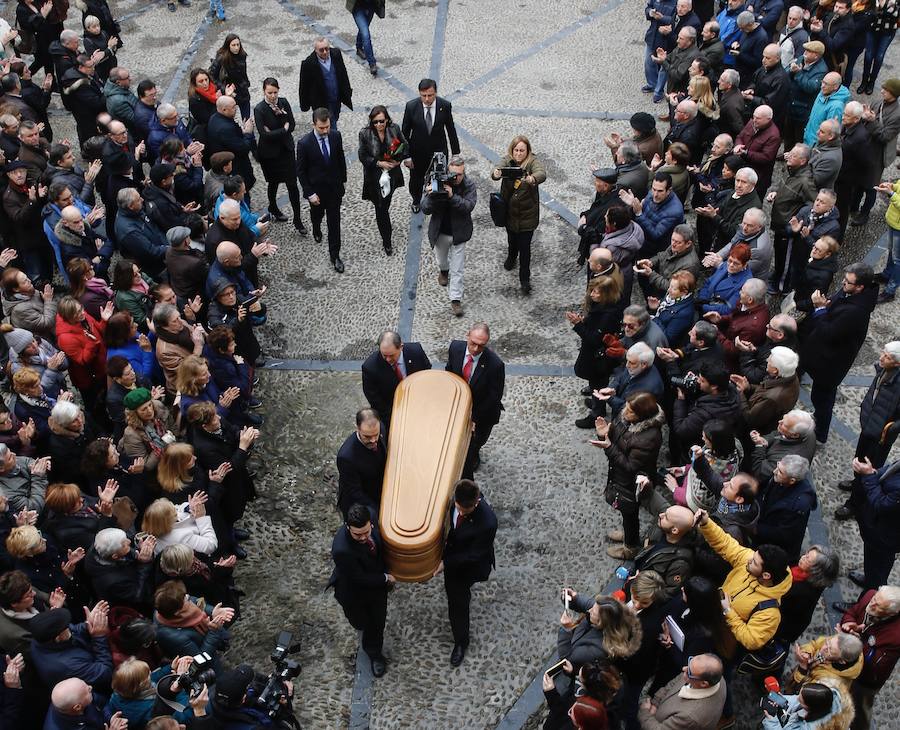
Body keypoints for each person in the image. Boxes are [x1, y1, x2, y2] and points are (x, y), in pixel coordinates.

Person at [694, 509, 792, 724]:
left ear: (766, 576)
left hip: (729, 645)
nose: (749, 561)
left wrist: (729, 612)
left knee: (722, 677)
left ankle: (726, 715)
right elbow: (727, 545)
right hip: (717, 624)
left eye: (754, 563)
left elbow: (751, 639)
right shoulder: (751, 562)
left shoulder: (769, 612)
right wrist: (706, 523)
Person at [797, 262, 878, 443]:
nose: (843, 284)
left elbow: (829, 333)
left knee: (822, 399)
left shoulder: (856, 311)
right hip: (825, 356)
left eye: (848, 282)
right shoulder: (851, 294)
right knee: (821, 397)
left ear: (860, 287)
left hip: (830, 364)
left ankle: (820, 434)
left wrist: (820, 309)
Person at [432, 479, 497, 667]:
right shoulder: (453, 497)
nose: (459, 512)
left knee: (458, 604)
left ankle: (461, 642)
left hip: (466, 566)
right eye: (458, 507)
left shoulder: (488, 522)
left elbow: (473, 555)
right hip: (453, 551)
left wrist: (446, 563)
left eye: (464, 511)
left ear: (476, 502)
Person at [592, 392, 666, 558]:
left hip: (632, 483)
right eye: (627, 407)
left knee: (629, 512)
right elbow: (615, 437)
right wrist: (604, 433)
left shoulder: (649, 438)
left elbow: (630, 466)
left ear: (642, 415)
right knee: (628, 514)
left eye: (631, 410)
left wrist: (609, 447)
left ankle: (630, 547)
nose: (625, 412)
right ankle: (629, 534)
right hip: (621, 477)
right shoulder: (627, 418)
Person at [328, 503, 394, 678]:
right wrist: (386, 578)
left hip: (375, 584)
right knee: (362, 622)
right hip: (354, 591)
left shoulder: (371, 514)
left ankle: (374, 652)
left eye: (367, 531)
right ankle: (371, 647)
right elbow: (359, 578)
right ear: (348, 527)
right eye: (358, 534)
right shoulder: (342, 550)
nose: (364, 537)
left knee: (377, 622)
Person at [836, 586, 900, 729]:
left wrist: (853, 640)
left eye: (878, 606)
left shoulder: (896, 636)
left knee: (860, 709)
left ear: (892, 613)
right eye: (874, 599)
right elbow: (852, 612)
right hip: (847, 662)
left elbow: (874, 663)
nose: (872, 604)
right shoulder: (870, 595)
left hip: (866, 679)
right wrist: (847, 624)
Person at [446, 324, 505, 478]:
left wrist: (474, 418)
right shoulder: (455, 348)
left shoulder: (495, 365)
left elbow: (494, 397)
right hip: (459, 405)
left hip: (483, 412)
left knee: (476, 440)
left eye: (481, 346)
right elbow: (450, 371)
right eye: (473, 343)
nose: (475, 349)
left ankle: (474, 454)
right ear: (467, 336)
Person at [421, 154, 477, 316]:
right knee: (441, 260)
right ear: (447, 171)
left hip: (459, 233)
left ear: (464, 172)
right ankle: (443, 271)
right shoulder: (437, 180)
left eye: (460, 174)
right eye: (453, 174)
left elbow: (468, 206)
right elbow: (425, 208)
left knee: (458, 268)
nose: (456, 178)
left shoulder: (469, 185)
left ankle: (455, 299)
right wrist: (432, 195)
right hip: (440, 232)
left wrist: (452, 196)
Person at [490, 135, 546, 294]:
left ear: (527, 151)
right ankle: (511, 257)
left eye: (522, 150)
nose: (519, 153)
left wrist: (532, 178)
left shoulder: (533, 162)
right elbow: (496, 171)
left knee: (525, 249)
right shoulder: (507, 160)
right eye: (516, 150)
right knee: (512, 240)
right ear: (512, 150)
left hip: (527, 215)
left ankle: (524, 279)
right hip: (509, 213)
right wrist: (496, 173)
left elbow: (541, 173)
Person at [296, 107, 347, 273]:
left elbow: (340, 159)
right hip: (316, 191)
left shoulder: (335, 136)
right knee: (317, 215)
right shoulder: (304, 144)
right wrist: (309, 193)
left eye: (327, 127)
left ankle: (335, 255)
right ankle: (316, 227)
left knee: (334, 223)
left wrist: (343, 181)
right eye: (321, 128)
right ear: (313, 125)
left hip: (334, 189)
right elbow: (301, 171)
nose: (325, 131)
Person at [253, 77, 306, 233]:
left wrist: (278, 130)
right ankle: (273, 207)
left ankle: (298, 219)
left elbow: (293, 124)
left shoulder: (283, 102)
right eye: (270, 92)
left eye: (275, 92)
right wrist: (283, 129)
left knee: (292, 185)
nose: (273, 96)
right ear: (264, 91)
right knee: (273, 183)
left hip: (286, 150)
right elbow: (264, 134)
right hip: (270, 154)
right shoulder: (259, 109)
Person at [401, 78, 460, 213]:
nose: (427, 99)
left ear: (436, 93)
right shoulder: (411, 106)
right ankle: (416, 200)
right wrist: (406, 155)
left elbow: (450, 129)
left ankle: (436, 201)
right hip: (417, 152)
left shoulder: (444, 105)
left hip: (438, 151)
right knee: (416, 180)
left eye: (430, 95)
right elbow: (404, 132)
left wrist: (455, 153)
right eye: (424, 96)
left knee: (439, 179)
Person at [357, 105, 409, 256]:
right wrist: (379, 163)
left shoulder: (394, 129)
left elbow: (404, 145)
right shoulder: (365, 134)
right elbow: (363, 155)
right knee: (380, 207)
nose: (379, 125)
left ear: (387, 119)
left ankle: (385, 227)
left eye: (381, 121)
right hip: (374, 176)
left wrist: (398, 161)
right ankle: (387, 240)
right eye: (375, 122)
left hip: (391, 174)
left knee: (385, 203)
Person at [360, 330, 431, 430]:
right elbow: (376, 401)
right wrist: (398, 419)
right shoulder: (370, 368)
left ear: (401, 347)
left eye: (391, 355)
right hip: (393, 414)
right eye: (384, 355)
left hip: (420, 404)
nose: (388, 360)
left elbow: (427, 373)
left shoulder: (416, 351)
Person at [637, 653, 726, 729]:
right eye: (690, 661)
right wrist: (656, 702)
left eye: (689, 672)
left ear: (703, 684)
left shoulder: (689, 717)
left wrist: (645, 712)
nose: (684, 669)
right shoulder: (716, 677)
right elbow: (674, 682)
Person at [777, 546, 840, 644]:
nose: (802, 557)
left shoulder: (804, 593)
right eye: (806, 554)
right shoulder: (801, 567)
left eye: (807, 559)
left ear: (815, 570)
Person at [335, 408, 386, 518]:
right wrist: (381, 511)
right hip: (363, 497)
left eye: (376, 435)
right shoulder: (346, 457)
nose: (373, 440)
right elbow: (355, 493)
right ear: (357, 428)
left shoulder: (380, 427)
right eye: (367, 437)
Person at [205, 96, 255, 198]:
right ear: (224, 110)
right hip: (235, 166)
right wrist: (248, 133)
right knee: (242, 195)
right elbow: (243, 148)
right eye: (233, 107)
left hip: (228, 161)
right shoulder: (225, 129)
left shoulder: (214, 118)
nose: (236, 108)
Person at [298, 37, 352, 128]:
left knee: (335, 116)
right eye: (321, 50)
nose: (325, 52)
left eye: (327, 49)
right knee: (331, 123)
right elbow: (304, 86)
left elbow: (343, 73)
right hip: (321, 101)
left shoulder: (336, 54)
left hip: (336, 97)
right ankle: (333, 138)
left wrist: (348, 91)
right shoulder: (308, 64)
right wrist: (304, 105)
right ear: (315, 50)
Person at [761, 681, 854, 729]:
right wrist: (783, 700)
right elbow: (797, 701)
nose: (797, 698)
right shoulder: (822, 698)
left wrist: (771, 722)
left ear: (809, 708)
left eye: (801, 700)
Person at [209, 34, 251, 121]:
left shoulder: (242, 55)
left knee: (246, 118)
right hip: (229, 92)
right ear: (228, 45)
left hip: (242, 90)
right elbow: (212, 77)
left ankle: (247, 131)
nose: (236, 48)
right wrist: (224, 89)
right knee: (229, 117)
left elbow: (243, 73)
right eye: (233, 45)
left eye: (238, 45)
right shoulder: (222, 58)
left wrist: (246, 83)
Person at [347, 0, 384, 75]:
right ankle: (372, 63)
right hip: (358, 8)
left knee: (364, 29)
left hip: (371, 7)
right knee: (366, 34)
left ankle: (359, 47)